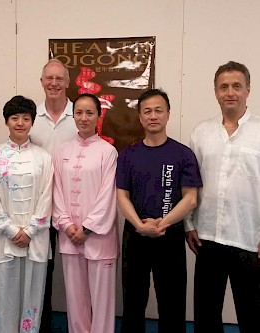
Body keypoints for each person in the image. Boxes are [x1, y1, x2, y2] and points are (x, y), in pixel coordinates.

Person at [116, 88, 202, 333]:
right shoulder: (128, 155)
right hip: (135, 235)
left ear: (167, 115)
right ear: (140, 117)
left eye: (158, 110)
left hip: (170, 236)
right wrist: (140, 225)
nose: (153, 116)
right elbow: (121, 196)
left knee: (172, 303)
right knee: (133, 302)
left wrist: (163, 223)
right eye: (147, 111)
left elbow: (191, 199)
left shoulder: (183, 154)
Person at [185, 61, 260, 333]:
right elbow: (190, 184)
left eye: (237, 86)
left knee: (252, 315)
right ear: (215, 92)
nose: (230, 92)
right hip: (207, 237)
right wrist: (188, 224)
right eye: (224, 86)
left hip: (249, 240)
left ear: (248, 90)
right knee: (206, 315)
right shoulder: (201, 133)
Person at [0, 95, 53, 333]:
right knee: (5, 298)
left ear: (32, 121)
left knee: (33, 296)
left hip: (36, 237)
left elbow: (47, 195)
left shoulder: (43, 156)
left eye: (25, 118)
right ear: (6, 121)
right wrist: (11, 230)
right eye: (15, 118)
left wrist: (31, 229)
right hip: (3, 238)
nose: (20, 123)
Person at [53, 93, 119, 333]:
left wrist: (88, 227)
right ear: (73, 116)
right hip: (69, 236)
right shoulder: (61, 151)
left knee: (102, 303)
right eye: (78, 113)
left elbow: (108, 194)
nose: (83, 118)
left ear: (98, 117)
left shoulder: (108, 152)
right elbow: (56, 190)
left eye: (89, 113)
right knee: (75, 301)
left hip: (99, 238)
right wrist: (66, 224)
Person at [30, 58, 78, 332]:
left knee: (78, 276)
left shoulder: (81, 116)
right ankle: (42, 326)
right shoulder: (31, 118)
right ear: (41, 82)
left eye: (60, 78)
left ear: (68, 82)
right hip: (41, 209)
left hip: (74, 210)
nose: (54, 83)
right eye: (49, 78)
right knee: (42, 276)